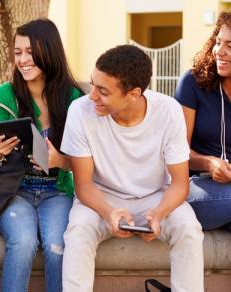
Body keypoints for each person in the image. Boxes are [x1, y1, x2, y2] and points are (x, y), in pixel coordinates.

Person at [60, 45, 204, 292]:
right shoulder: (80, 111)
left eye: (103, 91)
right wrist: (110, 212)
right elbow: (83, 185)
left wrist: (158, 214)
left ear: (133, 94)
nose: (92, 96)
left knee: (189, 229)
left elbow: (180, 184)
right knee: (78, 231)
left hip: (156, 196)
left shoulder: (168, 111)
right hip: (100, 196)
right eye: (93, 84)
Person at [0, 18, 82, 292]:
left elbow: (85, 161)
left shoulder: (73, 98)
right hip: (16, 190)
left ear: (48, 53)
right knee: (23, 243)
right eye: (18, 53)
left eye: (31, 53)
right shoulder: (7, 93)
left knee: (57, 246)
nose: (23, 60)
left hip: (57, 190)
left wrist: (58, 161)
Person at [175, 11, 231, 231]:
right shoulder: (192, 82)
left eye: (230, 45)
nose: (220, 51)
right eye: (218, 42)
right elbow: (177, 151)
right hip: (196, 185)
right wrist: (210, 162)